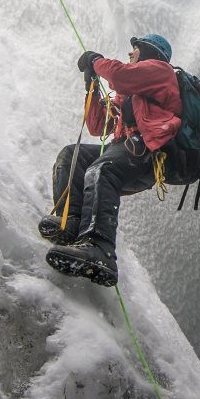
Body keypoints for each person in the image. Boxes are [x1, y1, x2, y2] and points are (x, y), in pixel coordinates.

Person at [38, 33, 182, 287]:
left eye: (136, 49)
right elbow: (97, 126)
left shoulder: (161, 71)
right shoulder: (133, 94)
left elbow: (119, 76)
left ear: (151, 52)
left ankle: (99, 248)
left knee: (102, 168)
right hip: (129, 149)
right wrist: (91, 88)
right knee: (73, 155)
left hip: (147, 151)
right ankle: (72, 222)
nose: (130, 53)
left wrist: (96, 61)